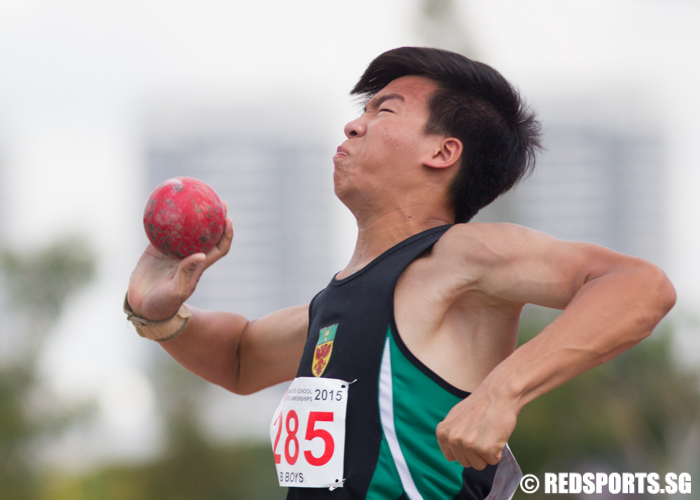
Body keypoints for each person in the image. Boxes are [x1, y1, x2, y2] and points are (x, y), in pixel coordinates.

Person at [125, 47, 676, 499]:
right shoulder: (335, 306)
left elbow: (640, 287)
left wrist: (501, 394)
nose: (353, 124)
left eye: (382, 112)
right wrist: (158, 314)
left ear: (442, 151)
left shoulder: (459, 257)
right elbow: (241, 357)